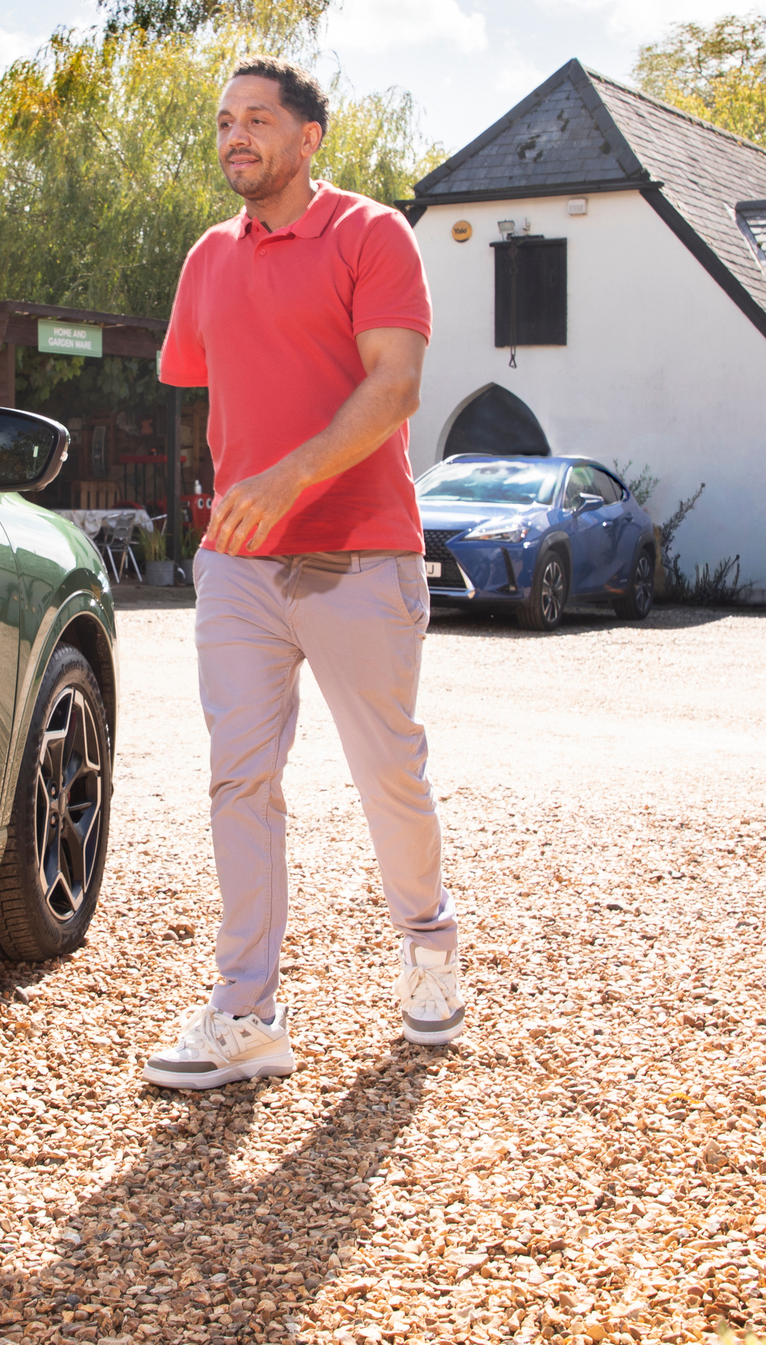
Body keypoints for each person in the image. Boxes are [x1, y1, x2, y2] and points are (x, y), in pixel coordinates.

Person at [142, 55, 462, 1093]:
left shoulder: (371, 234)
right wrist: (243, 496)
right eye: (223, 121)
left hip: (358, 551)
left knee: (387, 770)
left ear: (308, 135)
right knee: (240, 777)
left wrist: (286, 477)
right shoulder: (208, 256)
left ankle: (430, 945)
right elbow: (204, 379)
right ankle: (247, 1012)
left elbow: (396, 385)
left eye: (257, 119)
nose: (235, 136)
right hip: (239, 564)